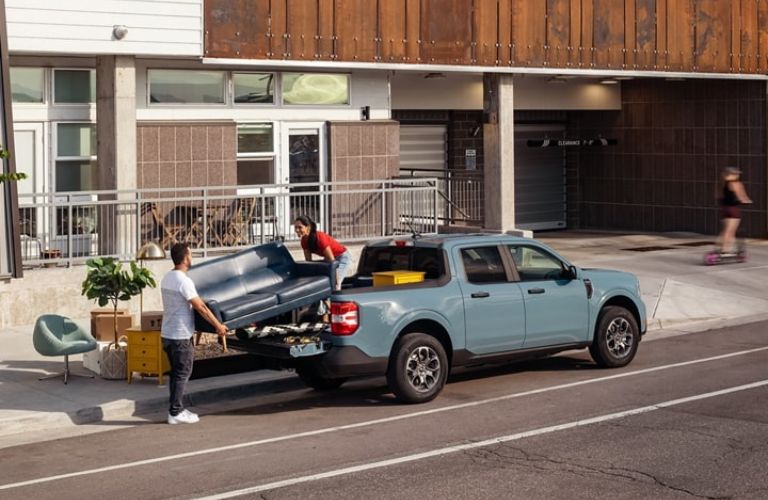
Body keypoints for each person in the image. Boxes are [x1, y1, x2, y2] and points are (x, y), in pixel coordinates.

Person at [160, 242, 227, 425]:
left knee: (176, 373)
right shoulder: (184, 281)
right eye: (191, 254)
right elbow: (201, 308)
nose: (192, 257)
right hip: (180, 335)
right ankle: (176, 412)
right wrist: (218, 325)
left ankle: (175, 409)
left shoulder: (167, 277)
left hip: (167, 333)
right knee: (183, 373)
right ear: (185, 257)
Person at [294, 216, 353, 320]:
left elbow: (332, 262)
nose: (297, 230)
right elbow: (309, 263)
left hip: (341, 258)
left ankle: (338, 316)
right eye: (295, 228)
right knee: (322, 287)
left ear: (308, 227)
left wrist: (336, 278)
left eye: (300, 227)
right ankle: (325, 319)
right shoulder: (304, 241)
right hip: (330, 260)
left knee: (334, 286)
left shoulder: (320, 238)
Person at [716, 166, 752, 256]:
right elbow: (741, 196)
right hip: (733, 210)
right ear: (731, 175)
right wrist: (746, 200)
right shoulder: (736, 184)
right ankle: (725, 250)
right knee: (731, 231)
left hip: (725, 209)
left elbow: (719, 197)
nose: (737, 176)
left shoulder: (721, 184)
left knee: (725, 231)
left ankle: (721, 248)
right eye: (736, 174)